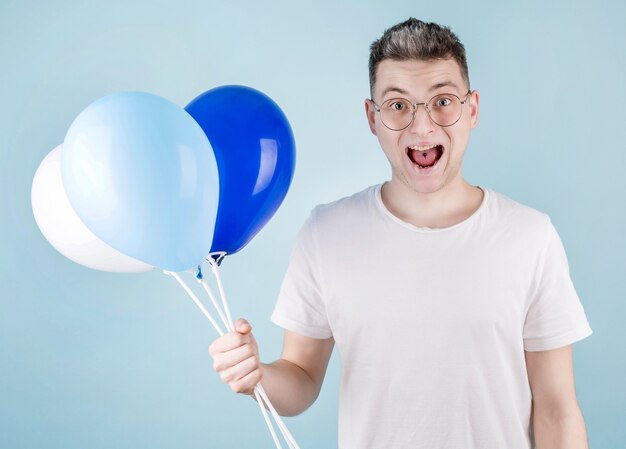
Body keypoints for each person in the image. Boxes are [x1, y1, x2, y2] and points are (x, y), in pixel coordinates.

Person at [208, 18, 592, 449]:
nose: (422, 127)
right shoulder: (327, 232)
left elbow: (557, 409)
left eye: (443, 101)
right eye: (398, 105)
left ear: (473, 109)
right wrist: (258, 375)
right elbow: (300, 379)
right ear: (372, 118)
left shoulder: (530, 237)